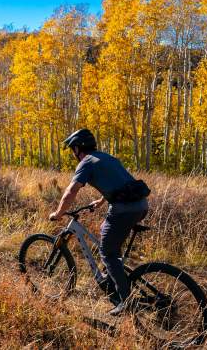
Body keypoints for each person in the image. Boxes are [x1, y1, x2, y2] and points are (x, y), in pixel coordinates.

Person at [48, 129, 148, 316]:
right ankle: (113, 276)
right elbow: (120, 182)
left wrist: (59, 213)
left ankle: (125, 300)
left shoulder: (86, 163)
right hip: (140, 206)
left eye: (72, 149)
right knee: (106, 231)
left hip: (124, 210)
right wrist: (101, 201)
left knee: (106, 252)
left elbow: (71, 191)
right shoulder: (106, 157)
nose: (73, 153)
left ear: (78, 148)